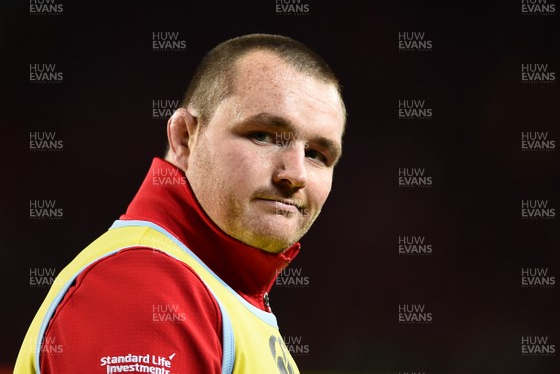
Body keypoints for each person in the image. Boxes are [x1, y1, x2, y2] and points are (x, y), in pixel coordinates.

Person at [15, 33, 346, 373]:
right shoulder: (144, 285)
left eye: (317, 154)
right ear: (185, 138)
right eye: (262, 135)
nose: (296, 174)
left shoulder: (218, 287)